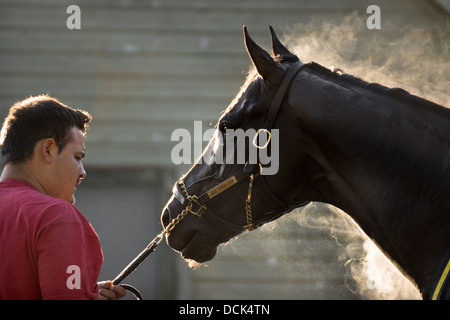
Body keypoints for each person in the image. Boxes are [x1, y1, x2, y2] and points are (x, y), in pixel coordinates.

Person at [0, 95, 126, 300]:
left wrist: (81, 292)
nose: (82, 172)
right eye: (77, 157)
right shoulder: (55, 215)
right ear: (48, 150)